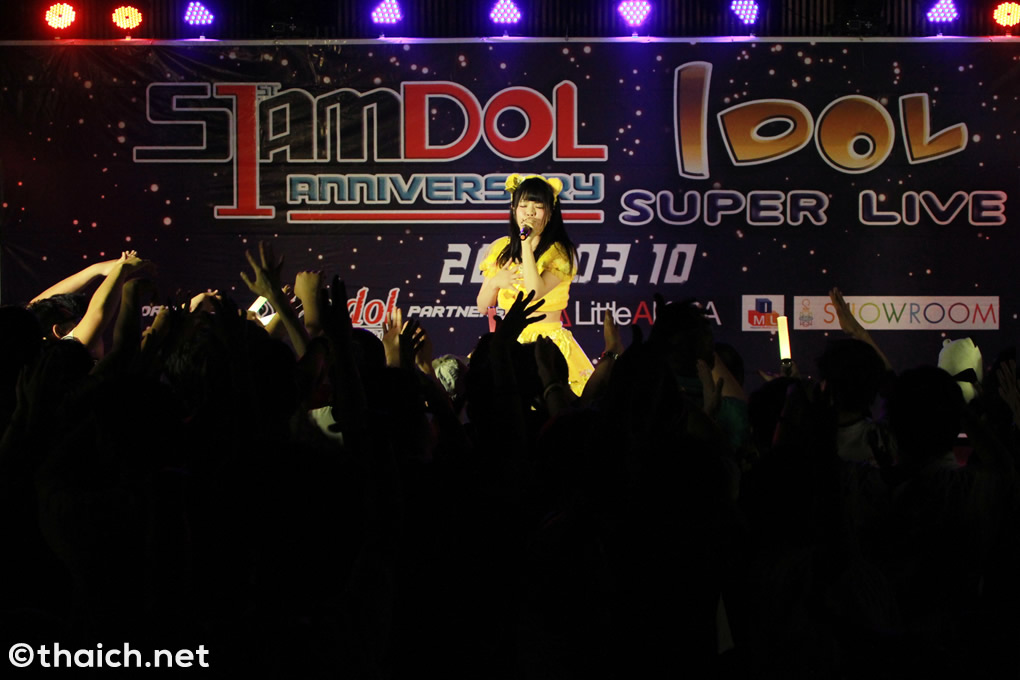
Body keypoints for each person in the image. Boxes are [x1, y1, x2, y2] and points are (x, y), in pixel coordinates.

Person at [477, 174, 593, 395]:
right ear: (513, 209)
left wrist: (526, 246)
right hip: (508, 341)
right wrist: (495, 283)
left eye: (538, 207)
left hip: (547, 343)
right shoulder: (501, 249)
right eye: (523, 206)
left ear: (550, 213)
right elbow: (483, 306)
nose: (529, 213)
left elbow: (534, 292)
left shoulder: (559, 252)